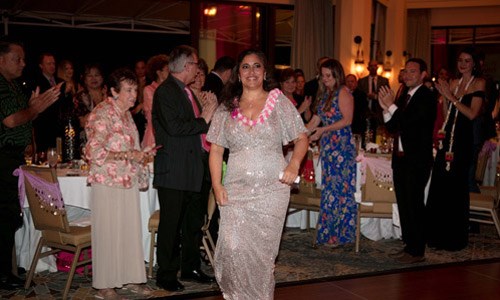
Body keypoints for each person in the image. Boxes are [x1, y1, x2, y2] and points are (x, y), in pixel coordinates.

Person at [207, 48, 308, 299]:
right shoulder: (226, 107)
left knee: (262, 258)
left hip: (272, 191)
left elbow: (302, 138)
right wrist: (217, 186)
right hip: (235, 190)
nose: (251, 71)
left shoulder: (279, 102)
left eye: (256, 66)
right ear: (238, 74)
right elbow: (216, 150)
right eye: (245, 67)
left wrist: (293, 164)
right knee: (231, 249)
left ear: (264, 73)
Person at [84, 68, 154, 299]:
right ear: (114, 91)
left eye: (136, 89)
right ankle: (104, 285)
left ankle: (132, 278)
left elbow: (127, 149)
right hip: (107, 180)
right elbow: (93, 151)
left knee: (128, 232)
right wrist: (129, 156)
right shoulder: (102, 113)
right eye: (128, 90)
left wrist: (140, 154)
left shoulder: (126, 115)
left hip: (126, 180)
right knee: (108, 232)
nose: (134, 95)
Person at [152, 45, 217, 292]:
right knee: (171, 224)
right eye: (196, 64)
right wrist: (205, 119)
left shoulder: (187, 92)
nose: (198, 69)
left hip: (194, 166)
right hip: (175, 168)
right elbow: (175, 128)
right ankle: (166, 274)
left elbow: (196, 128)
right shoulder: (166, 92)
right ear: (186, 66)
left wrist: (207, 118)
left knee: (192, 222)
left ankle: (190, 267)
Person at [0, 38, 60, 290]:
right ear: (1, 59)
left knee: (10, 215)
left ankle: (7, 270)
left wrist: (32, 110)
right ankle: (3, 274)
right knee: (5, 215)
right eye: (18, 59)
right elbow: (11, 121)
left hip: (11, 157)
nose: (23, 64)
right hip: (2, 158)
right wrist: (34, 110)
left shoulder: (11, 85)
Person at [378, 58, 436, 263]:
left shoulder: (426, 97)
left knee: (415, 205)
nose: (408, 75)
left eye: (413, 71)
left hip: (417, 160)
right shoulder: (404, 97)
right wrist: (386, 109)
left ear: (423, 74)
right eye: (406, 71)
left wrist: (391, 106)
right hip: (401, 159)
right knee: (404, 204)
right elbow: (394, 127)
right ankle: (409, 246)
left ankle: (417, 250)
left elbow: (411, 123)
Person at [427, 47, 485, 251]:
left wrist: (451, 97)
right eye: (460, 60)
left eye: (467, 60)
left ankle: (455, 238)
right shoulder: (453, 82)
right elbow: (446, 112)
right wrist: (444, 97)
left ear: (474, 63)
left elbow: (471, 114)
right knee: (441, 184)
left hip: (464, 140)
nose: (463, 64)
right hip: (447, 137)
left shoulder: (479, 83)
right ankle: (436, 236)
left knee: (458, 187)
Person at [306, 59, 357, 246]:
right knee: (330, 190)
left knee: (340, 191)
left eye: (329, 75)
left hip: (342, 147)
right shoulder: (325, 94)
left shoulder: (343, 92)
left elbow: (347, 120)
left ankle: (341, 235)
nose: (325, 79)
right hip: (328, 146)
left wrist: (322, 130)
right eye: (323, 75)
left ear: (337, 75)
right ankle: (329, 234)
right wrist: (302, 132)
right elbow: (314, 122)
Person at [32, 53, 71, 153]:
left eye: (53, 63)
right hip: (44, 127)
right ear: (41, 66)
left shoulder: (61, 82)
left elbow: (67, 104)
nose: (52, 66)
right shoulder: (36, 82)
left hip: (60, 126)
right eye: (48, 64)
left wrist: (66, 94)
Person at [73, 63, 107, 150]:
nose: (93, 78)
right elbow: (83, 122)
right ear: (84, 79)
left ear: (102, 77)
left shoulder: (110, 95)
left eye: (97, 75)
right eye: (89, 76)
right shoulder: (79, 97)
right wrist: (103, 104)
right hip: (87, 141)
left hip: (109, 140)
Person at [142, 54, 169, 149]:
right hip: (154, 135)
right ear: (159, 72)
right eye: (167, 70)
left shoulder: (169, 90)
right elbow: (155, 112)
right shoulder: (149, 89)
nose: (170, 73)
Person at [358, 60, 389, 141]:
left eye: (375, 66)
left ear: (377, 67)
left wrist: (376, 96)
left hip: (379, 111)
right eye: (371, 66)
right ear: (368, 68)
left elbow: (387, 95)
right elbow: (359, 96)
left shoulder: (384, 81)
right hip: (366, 110)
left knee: (378, 133)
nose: (373, 68)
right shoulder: (362, 81)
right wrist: (367, 96)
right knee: (366, 132)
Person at [345, 74, 368, 138]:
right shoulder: (342, 94)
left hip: (357, 124)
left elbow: (362, 110)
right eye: (348, 82)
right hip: (345, 124)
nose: (350, 84)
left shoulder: (361, 94)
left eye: (352, 81)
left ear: (356, 83)